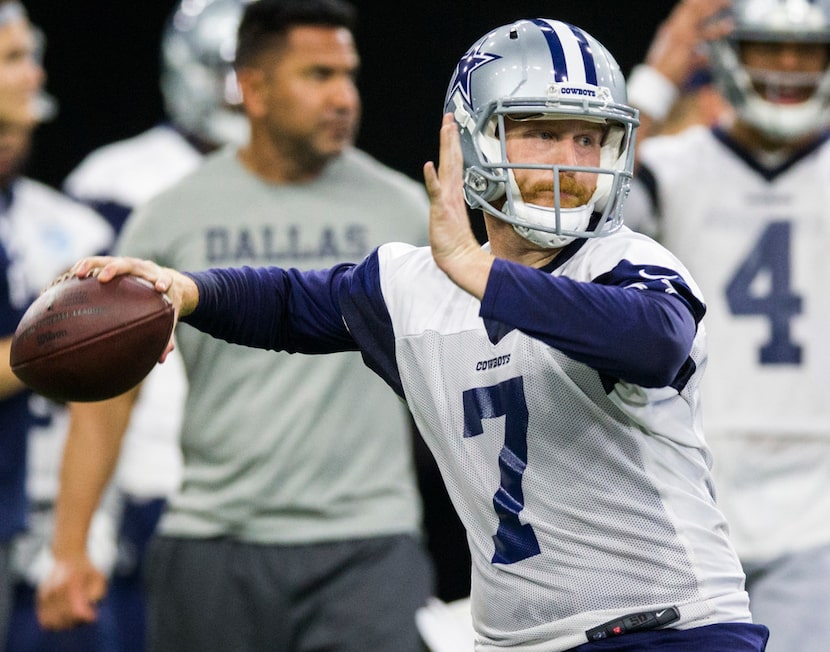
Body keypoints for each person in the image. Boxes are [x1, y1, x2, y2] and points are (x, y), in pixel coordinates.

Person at [60, 17, 772, 651]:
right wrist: (188, 291)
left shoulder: (630, 262)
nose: (568, 161)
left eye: (590, 139)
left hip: (670, 627)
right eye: (542, 131)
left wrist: (481, 272)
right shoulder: (414, 285)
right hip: (518, 639)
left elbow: (650, 343)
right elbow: (288, 301)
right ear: (470, 138)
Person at [37, 0, 435, 650]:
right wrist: (71, 545)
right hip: (212, 539)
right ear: (251, 88)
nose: (343, 97)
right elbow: (108, 401)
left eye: (348, 75)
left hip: (368, 541)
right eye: (317, 75)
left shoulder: (404, 211)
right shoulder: (170, 216)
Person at [624, 1, 830, 650]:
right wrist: (657, 76)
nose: (791, 66)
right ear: (724, 53)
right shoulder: (674, 165)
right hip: (692, 485)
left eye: (808, 49)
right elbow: (578, 219)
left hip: (820, 495)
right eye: (770, 46)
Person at [58, 2, 249, 648]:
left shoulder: (321, 181)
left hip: (281, 474)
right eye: (228, 69)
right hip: (159, 478)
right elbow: (86, 350)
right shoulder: (117, 181)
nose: (240, 90)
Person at [0, 1, 116, 649]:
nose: (34, 76)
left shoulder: (59, 222)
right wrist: (63, 338)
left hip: (24, 507)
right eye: (13, 58)